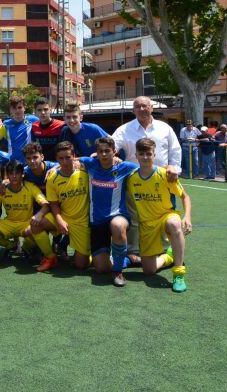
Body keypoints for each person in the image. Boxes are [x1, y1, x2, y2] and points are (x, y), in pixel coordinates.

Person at [111, 96, 181, 261]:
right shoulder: (124, 129)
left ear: (151, 107)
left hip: (162, 181)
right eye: (137, 106)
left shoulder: (165, 128)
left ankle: (165, 249)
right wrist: (111, 156)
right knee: (134, 217)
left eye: (144, 106)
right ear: (133, 110)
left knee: (162, 215)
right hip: (134, 182)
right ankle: (134, 250)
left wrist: (174, 168)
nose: (141, 109)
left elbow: (175, 151)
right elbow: (111, 146)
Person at [127, 138, 192, 292]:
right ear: (135, 155)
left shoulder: (165, 174)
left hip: (166, 216)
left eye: (148, 154)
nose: (145, 157)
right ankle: (168, 257)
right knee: (149, 271)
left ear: (154, 154)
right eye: (141, 154)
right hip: (147, 224)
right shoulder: (131, 178)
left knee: (174, 224)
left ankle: (178, 273)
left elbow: (185, 197)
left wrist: (187, 216)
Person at [78, 137, 139, 286]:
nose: (104, 154)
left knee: (118, 226)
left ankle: (118, 271)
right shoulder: (90, 164)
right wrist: (53, 167)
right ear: (96, 153)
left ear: (114, 152)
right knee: (101, 268)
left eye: (107, 151)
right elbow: (70, 160)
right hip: (97, 221)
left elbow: (147, 167)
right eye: (100, 151)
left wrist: (170, 168)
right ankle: (129, 258)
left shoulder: (125, 167)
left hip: (118, 216)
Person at [0, 160, 58, 272]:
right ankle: (11, 246)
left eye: (17, 173)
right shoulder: (2, 189)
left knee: (36, 227)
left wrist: (39, 215)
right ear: (7, 175)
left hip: (26, 223)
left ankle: (31, 249)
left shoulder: (30, 187)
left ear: (23, 174)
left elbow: (45, 205)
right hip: (9, 223)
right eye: (11, 173)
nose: (14, 176)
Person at [46, 141, 91, 269]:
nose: (65, 161)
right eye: (61, 158)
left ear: (74, 156)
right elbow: (53, 203)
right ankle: (49, 256)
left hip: (82, 221)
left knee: (81, 265)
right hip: (64, 216)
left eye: (68, 157)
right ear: (56, 159)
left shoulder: (85, 172)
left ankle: (84, 251)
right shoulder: (52, 178)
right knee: (37, 224)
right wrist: (59, 220)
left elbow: (99, 159)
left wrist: (116, 158)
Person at [29, 97, 65, 161]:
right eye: (39, 110)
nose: (43, 112)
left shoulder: (62, 126)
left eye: (45, 109)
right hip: (41, 164)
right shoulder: (34, 127)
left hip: (58, 164)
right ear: (35, 112)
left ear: (50, 110)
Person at [0, 94, 32, 164]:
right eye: (14, 108)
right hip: (12, 163)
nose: (17, 110)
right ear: (10, 109)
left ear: (24, 108)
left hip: (29, 163)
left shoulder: (33, 120)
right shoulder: (5, 124)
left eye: (20, 107)